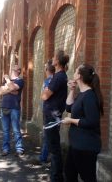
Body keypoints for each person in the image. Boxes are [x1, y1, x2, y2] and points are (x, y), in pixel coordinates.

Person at [62, 64, 104, 182]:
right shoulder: (81, 94)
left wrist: (71, 120)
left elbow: (91, 121)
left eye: (75, 71)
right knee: (69, 173)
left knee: (88, 178)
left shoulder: (89, 96)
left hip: (86, 146)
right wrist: (72, 90)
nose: (74, 73)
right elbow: (68, 107)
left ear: (79, 76)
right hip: (76, 144)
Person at [41, 50, 69, 182]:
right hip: (52, 115)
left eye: (53, 57)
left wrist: (44, 93)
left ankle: (56, 177)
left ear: (57, 61)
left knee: (54, 148)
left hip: (52, 116)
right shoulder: (59, 76)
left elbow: (45, 95)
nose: (52, 59)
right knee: (53, 146)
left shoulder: (58, 77)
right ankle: (55, 175)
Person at [0, 64, 25, 156]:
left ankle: (19, 148)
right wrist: (11, 89)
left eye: (16, 67)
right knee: (5, 130)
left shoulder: (20, 81)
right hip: (4, 107)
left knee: (16, 129)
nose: (13, 68)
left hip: (14, 108)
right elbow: (0, 92)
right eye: (13, 67)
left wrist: (8, 82)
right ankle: (6, 149)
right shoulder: (7, 81)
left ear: (18, 71)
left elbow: (13, 88)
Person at [39, 60, 55, 164]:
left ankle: (44, 157)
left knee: (48, 135)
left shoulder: (49, 81)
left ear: (47, 70)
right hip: (49, 111)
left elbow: (44, 97)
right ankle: (45, 156)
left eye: (45, 68)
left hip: (49, 112)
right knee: (49, 134)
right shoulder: (51, 80)